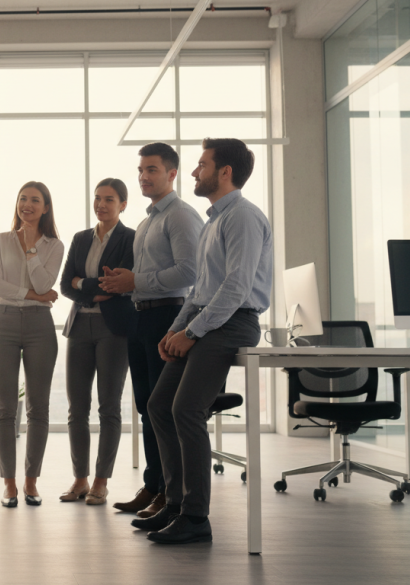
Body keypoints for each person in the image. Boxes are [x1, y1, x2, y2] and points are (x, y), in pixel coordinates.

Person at [137, 138, 272, 544]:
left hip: (233, 322)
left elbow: (235, 287)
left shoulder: (243, 217)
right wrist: (174, 330)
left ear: (224, 171)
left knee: (186, 410)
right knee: (159, 405)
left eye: (201, 164)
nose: (195, 171)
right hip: (205, 318)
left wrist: (192, 333)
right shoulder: (214, 220)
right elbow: (198, 290)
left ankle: (196, 518)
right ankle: (175, 504)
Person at [98, 143, 204, 519]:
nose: (143, 176)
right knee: (146, 408)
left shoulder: (180, 216)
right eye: (141, 170)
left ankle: (172, 495)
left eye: (152, 170)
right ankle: (154, 485)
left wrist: (136, 280)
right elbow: (143, 279)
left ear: (172, 173)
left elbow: (190, 273)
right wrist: (123, 282)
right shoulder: (146, 222)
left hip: (169, 317)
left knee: (163, 409)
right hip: (140, 317)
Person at [0, 181, 63, 508]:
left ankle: (31, 481)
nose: (27, 205)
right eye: (22, 199)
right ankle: (9, 483)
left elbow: (46, 282)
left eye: (35, 200)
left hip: (38, 326)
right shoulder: (0, 241)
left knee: (38, 408)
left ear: (45, 208)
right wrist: (33, 295)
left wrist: (31, 248)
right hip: (2, 322)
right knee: (4, 408)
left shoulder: (54, 246)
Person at [58, 178, 136, 507]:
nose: (101, 204)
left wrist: (83, 283)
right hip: (79, 326)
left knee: (109, 407)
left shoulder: (131, 239)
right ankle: (80, 478)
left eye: (109, 199)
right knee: (76, 408)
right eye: (97, 199)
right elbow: (65, 285)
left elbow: (123, 283)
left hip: (113, 328)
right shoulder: (79, 239)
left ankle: (101, 481)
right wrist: (93, 285)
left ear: (122, 205)